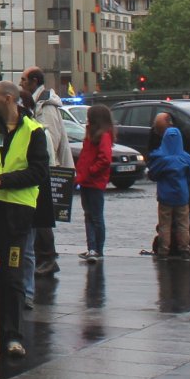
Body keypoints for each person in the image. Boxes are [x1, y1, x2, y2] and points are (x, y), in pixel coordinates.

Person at [0, 81, 46, 358]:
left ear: (8, 99)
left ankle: (13, 335)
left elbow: (38, 172)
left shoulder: (33, 131)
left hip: (18, 213)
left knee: (13, 275)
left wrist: (2, 180)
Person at [23, 68, 72, 278]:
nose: (21, 83)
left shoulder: (45, 106)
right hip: (44, 167)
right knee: (39, 215)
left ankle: (47, 258)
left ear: (34, 81)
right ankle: (44, 256)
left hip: (46, 168)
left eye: (24, 79)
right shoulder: (41, 103)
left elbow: (50, 140)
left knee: (42, 216)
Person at [146, 126, 190, 259]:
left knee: (164, 224)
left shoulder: (161, 158)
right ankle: (185, 249)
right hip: (182, 195)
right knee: (183, 224)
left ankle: (163, 250)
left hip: (165, 196)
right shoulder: (185, 158)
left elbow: (153, 174)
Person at [74, 104, 114, 262]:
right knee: (90, 216)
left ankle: (96, 249)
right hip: (87, 180)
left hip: (93, 181)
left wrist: (90, 171)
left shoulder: (102, 136)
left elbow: (105, 159)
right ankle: (93, 248)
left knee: (94, 217)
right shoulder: (95, 135)